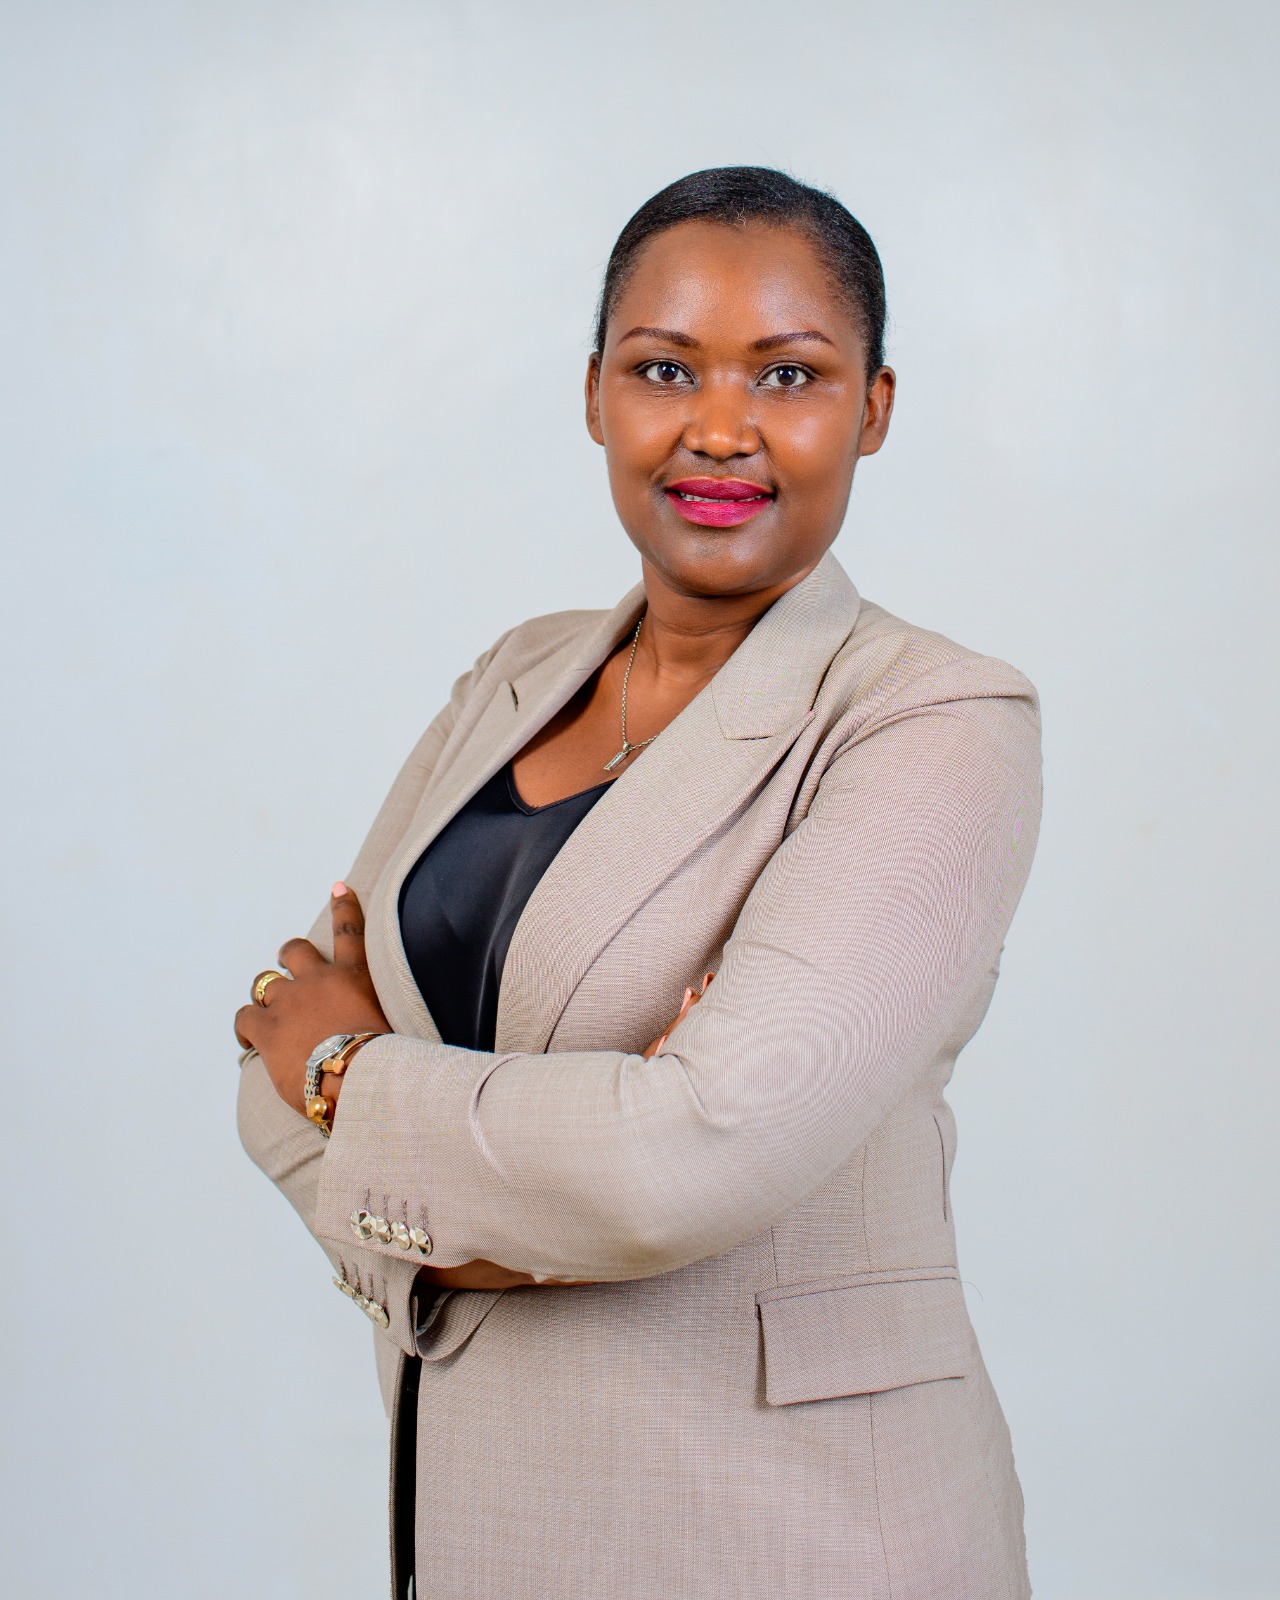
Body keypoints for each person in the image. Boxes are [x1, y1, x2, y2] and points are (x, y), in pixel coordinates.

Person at [235, 165, 1042, 1600]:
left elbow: (682, 1160)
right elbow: (267, 1065)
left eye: (788, 374)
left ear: (873, 408)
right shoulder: (521, 673)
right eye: (665, 368)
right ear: (596, 396)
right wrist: (542, 1180)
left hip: (790, 1537)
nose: (719, 427)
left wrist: (350, 1080)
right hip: (478, 1534)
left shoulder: (931, 718)